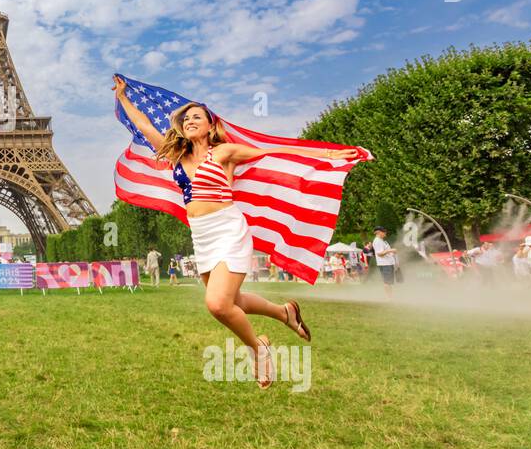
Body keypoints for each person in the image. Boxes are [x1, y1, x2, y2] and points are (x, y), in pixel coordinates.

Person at [113, 76, 361, 387]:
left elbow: (275, 152)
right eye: (186, 117)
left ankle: (259, 350)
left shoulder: (224, 153)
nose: (190, 121)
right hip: (201, 235)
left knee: (218, 304)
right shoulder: (176, 155)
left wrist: (328, 155)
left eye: (196, 117)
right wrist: (123, 98)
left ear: (209, 125)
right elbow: (146, 126)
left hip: (228, 230)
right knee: (235, 301)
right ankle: (286, 313)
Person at [371, 227, 397, 299]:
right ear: (378, 232)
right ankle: (389, 298)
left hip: (387, 263)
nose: (385, 234)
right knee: (387, 282)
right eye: (384, 232)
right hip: (385, 264)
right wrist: (391, 250)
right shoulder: (377, 241)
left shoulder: (381, 241)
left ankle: (391, 297)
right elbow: (380, 253)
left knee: (388, 282)